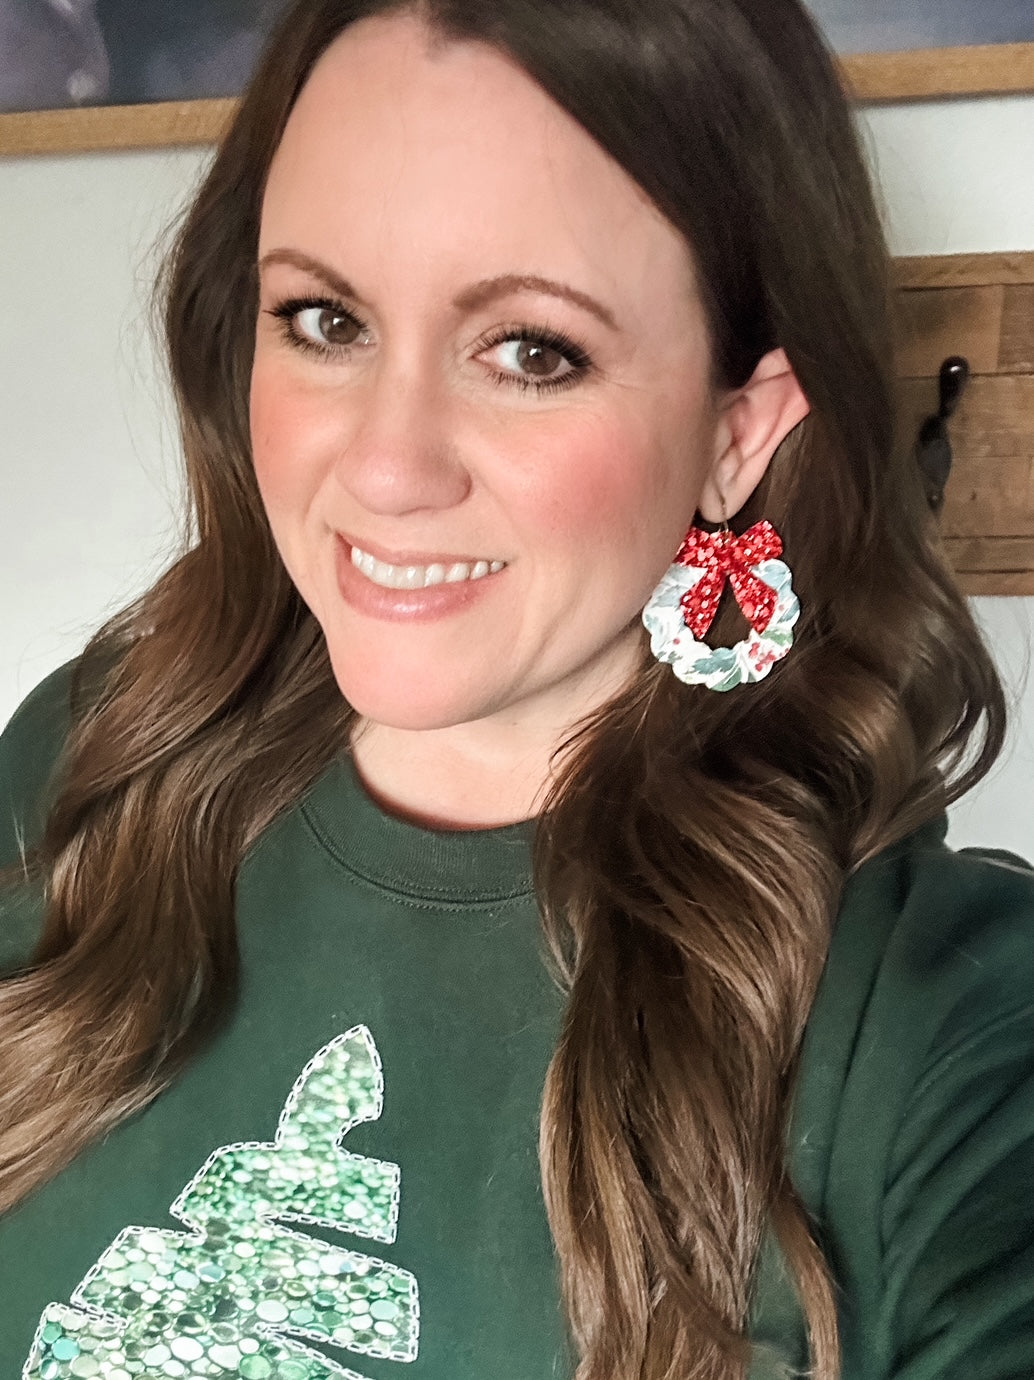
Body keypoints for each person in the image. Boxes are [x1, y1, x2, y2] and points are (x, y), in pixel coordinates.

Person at [1, 1, 1032, 1377]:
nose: (386, 468)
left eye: (531, 351)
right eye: (324, 320)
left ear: (737, 433)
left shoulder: (941, 1026)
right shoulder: (98, 756)